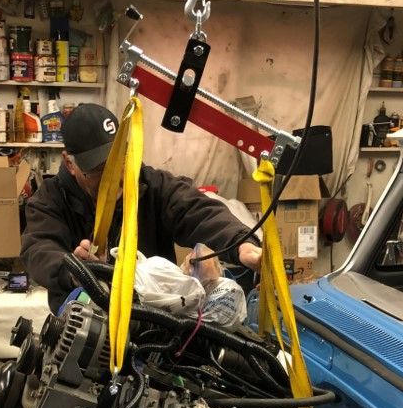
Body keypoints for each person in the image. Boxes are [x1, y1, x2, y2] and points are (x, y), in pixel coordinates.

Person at [21, 103, 262, 312]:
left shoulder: (150, 184)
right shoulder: (50, 199)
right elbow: (39, 248)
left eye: (121, 161)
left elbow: (196, 210)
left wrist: (241, 242)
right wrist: (75, 271)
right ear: (69, 163)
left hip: (152, 320)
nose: (117, 177)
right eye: (101, 170)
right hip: (86, 325)